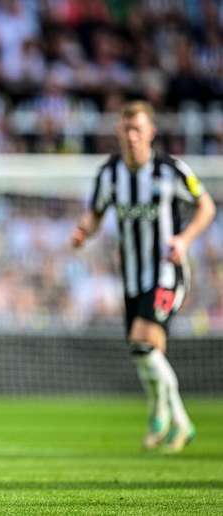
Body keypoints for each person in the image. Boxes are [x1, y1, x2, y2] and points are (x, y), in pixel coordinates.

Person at [71, 101, 216, 453]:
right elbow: (95, 213)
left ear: (151, 131)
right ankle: (169, 419)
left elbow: (206, 206)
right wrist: (82, 232)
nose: (132, 136)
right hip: (133, 277)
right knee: (144, 354)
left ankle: (171, 419)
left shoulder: (171, 170)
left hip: (168, 272)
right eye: (126, 129)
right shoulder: (109, 173)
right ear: (119, 133)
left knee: (143, 342)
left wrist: (183, 240)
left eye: (139, 129)